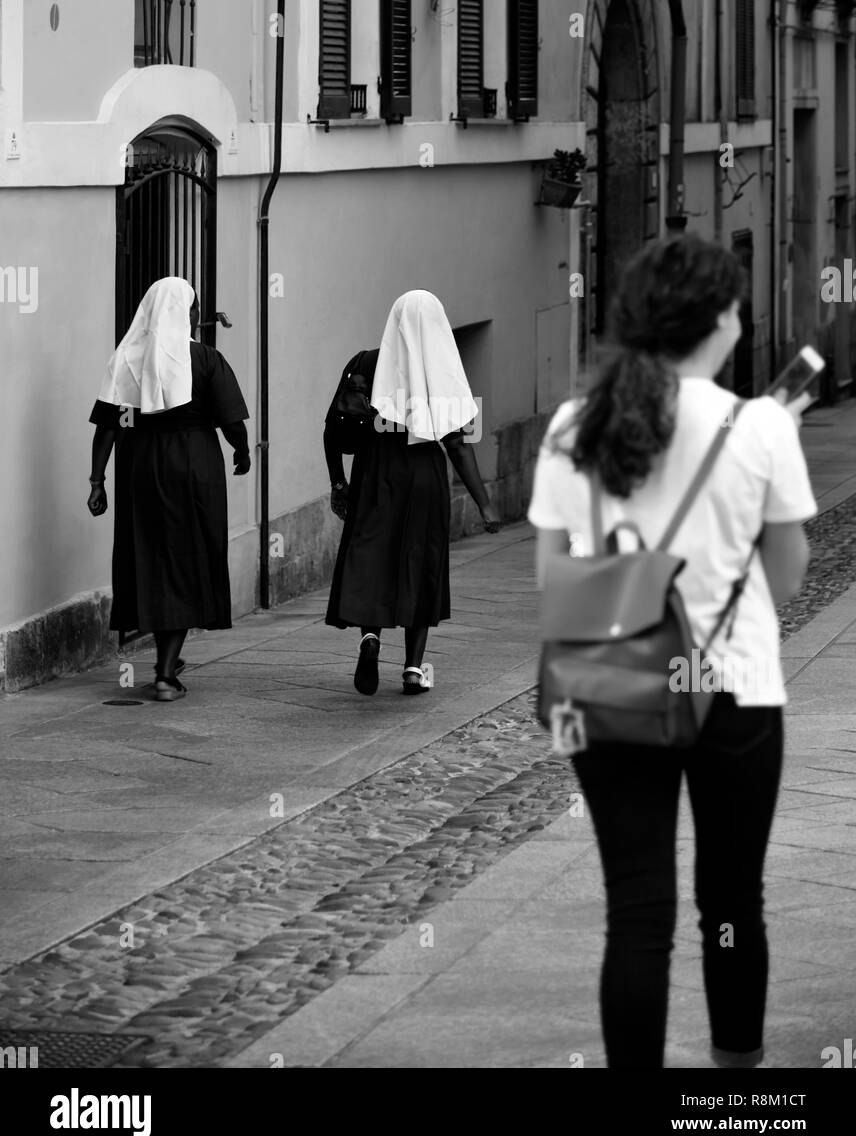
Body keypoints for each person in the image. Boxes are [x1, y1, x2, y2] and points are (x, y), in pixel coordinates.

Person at [527, 234, 816, 1070]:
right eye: (732, 306)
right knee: (732, 901)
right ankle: (734, 1094)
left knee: (637, 911)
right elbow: (789, 577)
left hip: (610, 688)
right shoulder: (759, 425)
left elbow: (555, 577)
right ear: (715, 323)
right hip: (735, 688)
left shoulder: (574, 426)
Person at [324, 289, 501, 695]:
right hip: (423, 476)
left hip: (375, 472)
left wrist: (339, 482)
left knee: (374, 556)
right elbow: (457, 442)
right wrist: (485, 504)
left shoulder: (364, 362)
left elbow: (333, 427)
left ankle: (370, 638)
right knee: (421, 562)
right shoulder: (442, 370)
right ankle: (413, 669)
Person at [88, 277, 251, 701]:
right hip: (194, 468)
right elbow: (231, 420)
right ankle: (164, 673)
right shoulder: (205, 359)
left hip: (140, 468)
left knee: (150, 557)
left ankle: (166, 660)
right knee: (188, 557)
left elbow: (110, 426)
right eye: (195, 310)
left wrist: (96, 480)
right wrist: (242, 450)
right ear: (189, 314)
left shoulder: (127, 360)